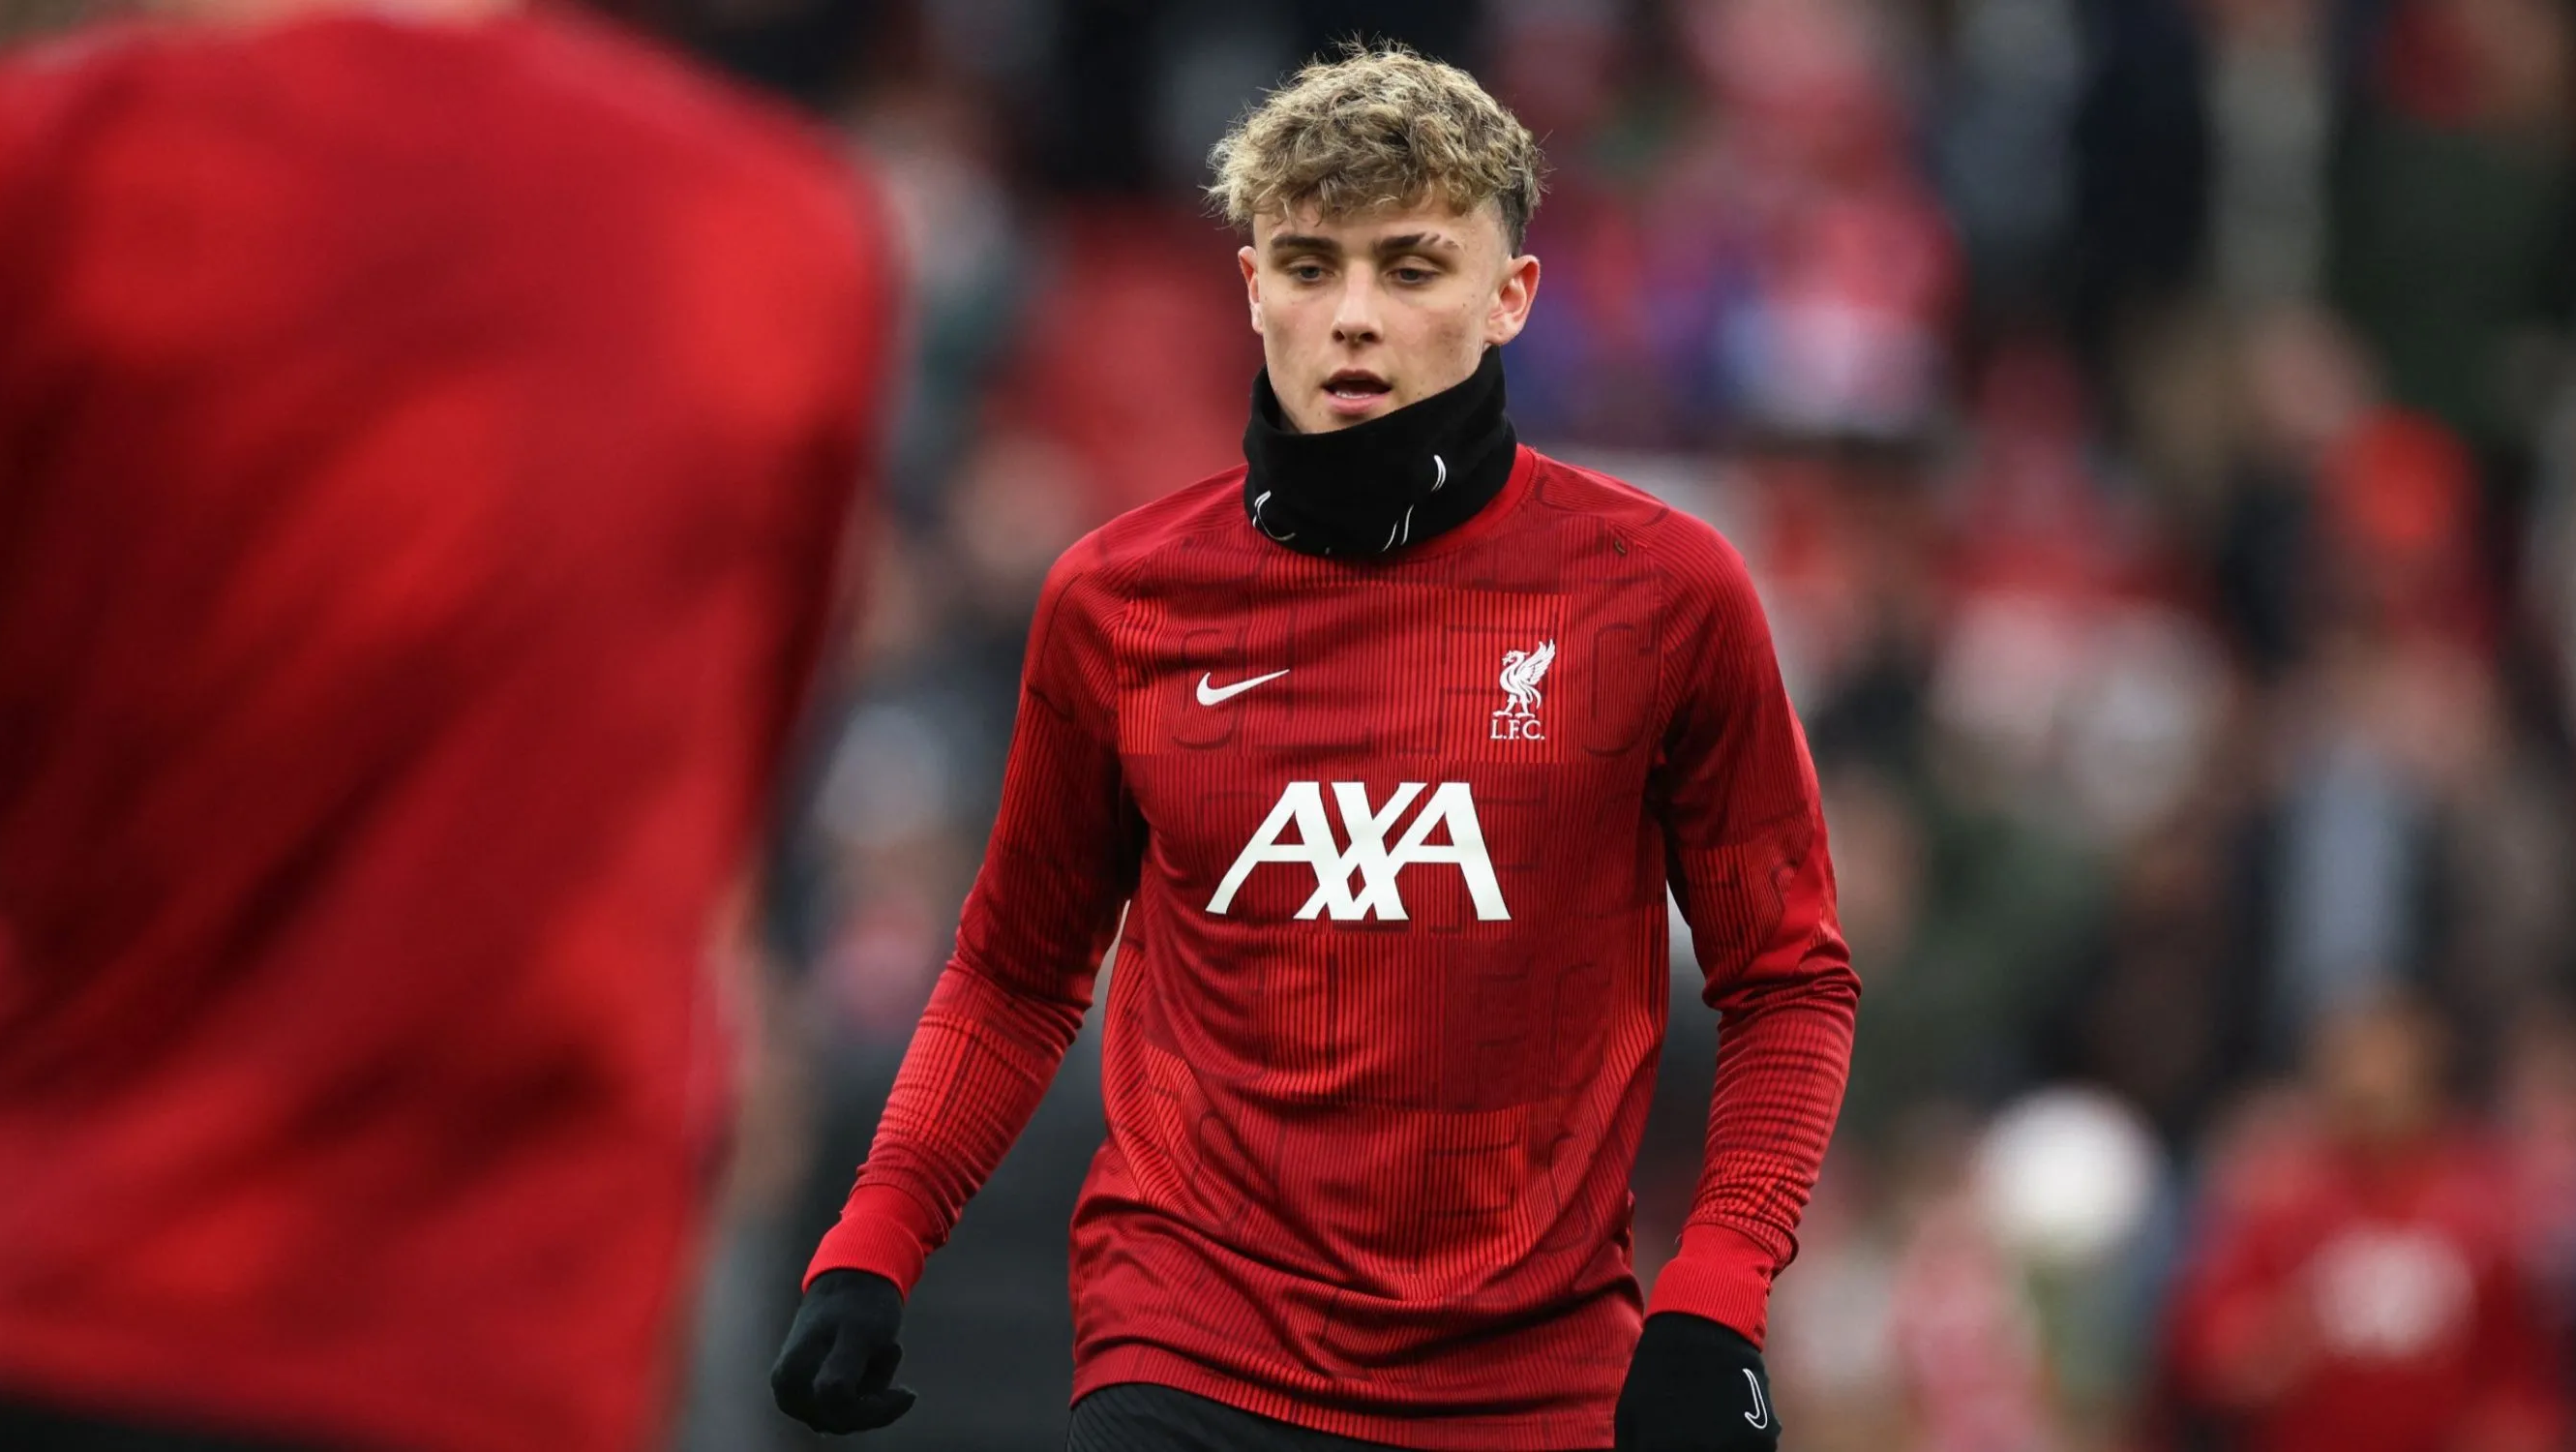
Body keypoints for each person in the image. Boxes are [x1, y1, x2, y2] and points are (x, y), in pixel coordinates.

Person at [0, 0, 893, 1444]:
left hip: (80, 1313)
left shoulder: (9, 182)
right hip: (508, 1354)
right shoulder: (786, 238)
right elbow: (731, 807)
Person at [772, 45, 1858, 1452]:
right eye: (1309, 264)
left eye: (1411, 269)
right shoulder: (1119, 601)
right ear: (1250, 288)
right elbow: (1018, 967)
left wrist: (1717, 1293)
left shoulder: (1665, 594)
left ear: (1509, 297)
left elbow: (1791, 979)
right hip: (1187, 1353)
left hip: (1528, 1385)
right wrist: (878, 1233)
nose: (1353, 318)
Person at [2157, 995, 2573, 1452]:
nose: (2368, 1091)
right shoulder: (2281, 1198)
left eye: (2388, 1076)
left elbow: (2524, 1383)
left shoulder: (2489, 1207)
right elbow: (2205, 1347)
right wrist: (2260, 1352)